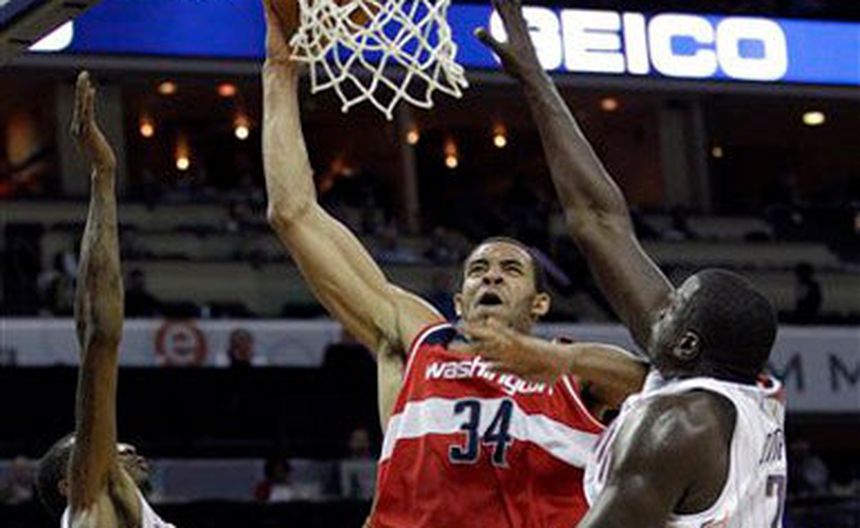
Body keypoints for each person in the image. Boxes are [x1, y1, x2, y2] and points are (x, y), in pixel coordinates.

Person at [260, 2, 648, 526]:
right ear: (460, 300)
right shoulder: (419, 341)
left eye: (511, 269)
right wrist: (279, 71)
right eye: (478, 270)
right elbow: (293, 213)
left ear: (540, 303)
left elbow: (663, 383)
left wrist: (557, 359)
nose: (492, 274)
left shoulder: (574, 374)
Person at [477, 1, 788, 525]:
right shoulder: (737, 387)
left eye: (672, 307)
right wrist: (535, 80)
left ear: (687, 343)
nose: (657, 303)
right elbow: (599, 222)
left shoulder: (678, 425)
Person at [34, 72, 174, 528]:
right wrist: (103, 177)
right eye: (96, 446)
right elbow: (99, 335)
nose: (122, 445)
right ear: (71, 483)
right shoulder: (92, 505)